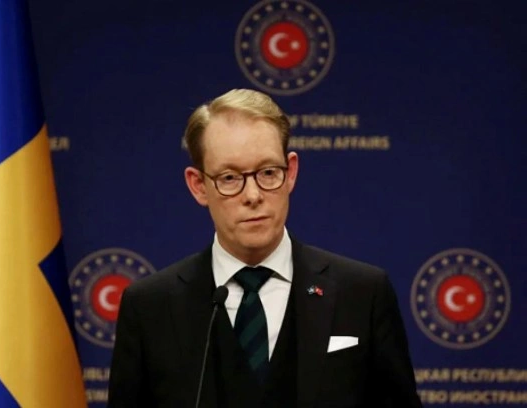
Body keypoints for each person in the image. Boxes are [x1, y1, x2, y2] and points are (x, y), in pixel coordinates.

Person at [108, 89, 422, 407]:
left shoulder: (363, 293)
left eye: (268, 172)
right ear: (198, 186)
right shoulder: (150, 307)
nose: (253, 195)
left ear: (291, 173)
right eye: (230, 177)